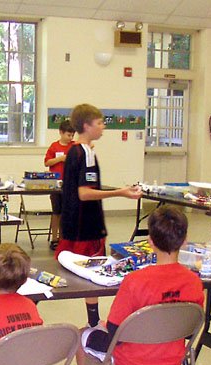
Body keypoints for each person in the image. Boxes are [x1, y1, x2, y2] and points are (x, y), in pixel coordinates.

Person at [75, 206, 204, 365]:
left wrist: (107, 325)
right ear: (184, 241)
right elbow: (189, 327)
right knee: (149, 333)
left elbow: (116, 332)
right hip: (172, 360)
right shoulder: (194, 281)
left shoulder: (136, 281)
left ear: (150, 242)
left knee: (80, 336)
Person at [55, 103, 142, 327]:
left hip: (75, 224)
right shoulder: (84, 153)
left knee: (75, 274)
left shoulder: (79, 151)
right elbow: (84, 194)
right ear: (86, 126)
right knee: (92, 276)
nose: (103, 127)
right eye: (100, 123)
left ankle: (93, 321)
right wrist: (121, 192)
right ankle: (94, 323)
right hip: (85, 227)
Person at [44, 119, 75, 250]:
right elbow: (47, 162)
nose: (70, 138)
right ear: (61, 133)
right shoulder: (54, 146)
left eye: (72, 135)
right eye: (68, 135)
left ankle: (64, 238)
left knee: (66, 212)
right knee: (56, 212)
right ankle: (54, 238)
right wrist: (60, 159)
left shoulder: (74, 146)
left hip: (70, 184)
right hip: (56, 184)